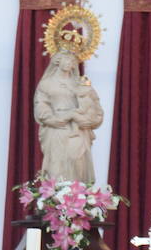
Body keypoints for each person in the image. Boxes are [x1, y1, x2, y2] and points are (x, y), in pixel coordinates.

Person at [34, 50, 104, 184]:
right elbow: (41, 105)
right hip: (57, 129)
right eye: (66, 60)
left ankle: (78, 199)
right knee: (56, 165)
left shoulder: (80, 83)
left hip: (78, 130)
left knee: (78, 165)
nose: (69, 63)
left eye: (72, 61)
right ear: (57, 61)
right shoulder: (46, 84)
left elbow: (94, 104)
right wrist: (54, 119)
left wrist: (91, 120)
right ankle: (56, 200)